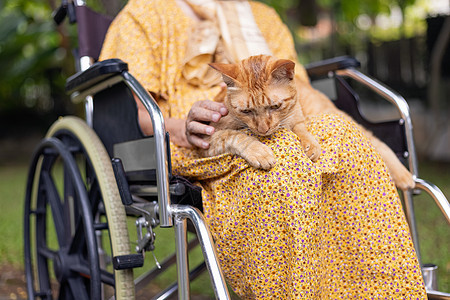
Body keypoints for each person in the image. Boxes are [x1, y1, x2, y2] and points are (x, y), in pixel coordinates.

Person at [99, 0, 427, 298]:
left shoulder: (263, 16)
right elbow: (144, 116)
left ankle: (380, 289)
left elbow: (291, 84)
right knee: (282, 168)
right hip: (201, 136)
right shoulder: (145, 12)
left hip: (284, 120)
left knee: (351, 147)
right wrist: (184, 125)